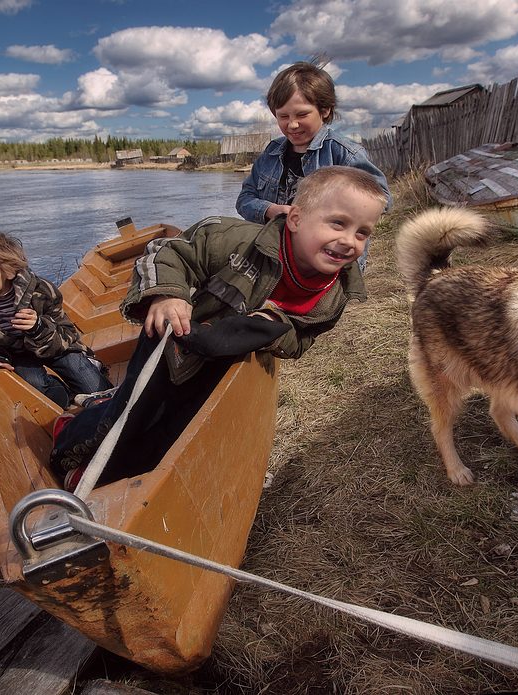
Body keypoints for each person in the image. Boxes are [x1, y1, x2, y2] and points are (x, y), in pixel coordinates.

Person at [51, 166, 388, 491]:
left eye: (362, 232)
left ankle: (143, 471)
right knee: (131, 413)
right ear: (296, 219)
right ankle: (70, 436)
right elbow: (165, 253)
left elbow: (303, 340)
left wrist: (273, 328)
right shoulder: (232, 240)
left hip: (222, 367)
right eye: (338, 224)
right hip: (171, 344)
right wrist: (167, 296)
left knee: (175, 428)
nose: (349, 241)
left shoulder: (336, 295)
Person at [235, 60, 391, 272]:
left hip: (331, 266)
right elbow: (244, 199)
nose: (292, 124)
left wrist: (328, 211)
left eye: (302, 114)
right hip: (277, 262)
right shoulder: (271, 153)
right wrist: (271, 210)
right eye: (283, 116)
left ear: (325, 110)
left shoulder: (345, 154)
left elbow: (382, 201)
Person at [0, 227, 111, 409]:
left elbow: (68, 335)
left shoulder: (41, 291)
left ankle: (88, 365)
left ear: (8, 271)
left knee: (95, 388)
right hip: (17, 355)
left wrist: (38, 328)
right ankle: (65, 394)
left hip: (56, 347)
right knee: (40, 391)